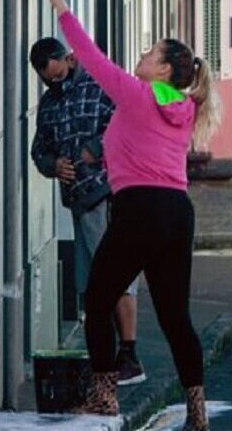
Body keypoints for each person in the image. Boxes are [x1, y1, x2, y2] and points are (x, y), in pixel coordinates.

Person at [44, 0, 220, 431]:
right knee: (174, 316)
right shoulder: (178, 104)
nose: (141, 56)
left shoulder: (137, 94)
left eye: (150, 52)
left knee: (98, 298)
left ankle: (105, 395)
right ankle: (197, 413)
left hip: (139, 208)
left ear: (162, 69)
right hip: (177, 213)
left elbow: (94, 59)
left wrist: (61, 5)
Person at [29, 38, 146, 386]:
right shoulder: (49, 104)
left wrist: (94, 149)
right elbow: (39, 151)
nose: (54, 83)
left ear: (68, 58)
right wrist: (54, 165)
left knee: (118, 276)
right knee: (94, 283)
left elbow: (127, 123)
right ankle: (109, 364)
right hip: (78, 201)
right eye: (47, 79)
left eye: (58, 74)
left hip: (110, 193)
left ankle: (129, 354)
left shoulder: (100, 87)